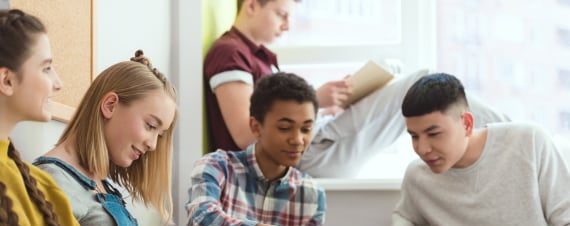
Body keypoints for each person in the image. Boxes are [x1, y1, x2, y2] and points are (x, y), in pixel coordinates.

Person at [0, 9, 276, 226]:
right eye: (47, 67)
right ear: (7, 79)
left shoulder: (32, 180)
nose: (58, 83)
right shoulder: (49, 180)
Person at [33, 46, 330, 226]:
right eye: (151, 126)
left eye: (159, 134)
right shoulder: (52, 181)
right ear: (110, 105)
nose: (152, 145)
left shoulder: (103, 186)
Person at [203, 0, 510, 178]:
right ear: (253, 5)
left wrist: (332, 105)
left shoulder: (258, 59)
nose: (286, 26)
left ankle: (508, 140)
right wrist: (316, 101)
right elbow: (245, 135)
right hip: (304, 156)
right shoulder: (231, 53)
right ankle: (512, 134)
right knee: (423, 81)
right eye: (281, 14)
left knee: (398, 74)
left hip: (313, 144)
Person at [188, 72, 372, 226]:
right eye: (285, 128)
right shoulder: (217, 165)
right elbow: (200, 220)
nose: (298, 140)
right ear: (256, 126)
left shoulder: (311, 193)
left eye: (307, 129)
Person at [388, 73, 570, 226]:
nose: (422, 148)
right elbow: (405, 214)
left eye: (433, 133)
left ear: (466, 123)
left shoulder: (529, 141)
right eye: (414, 136)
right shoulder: (419, 177)